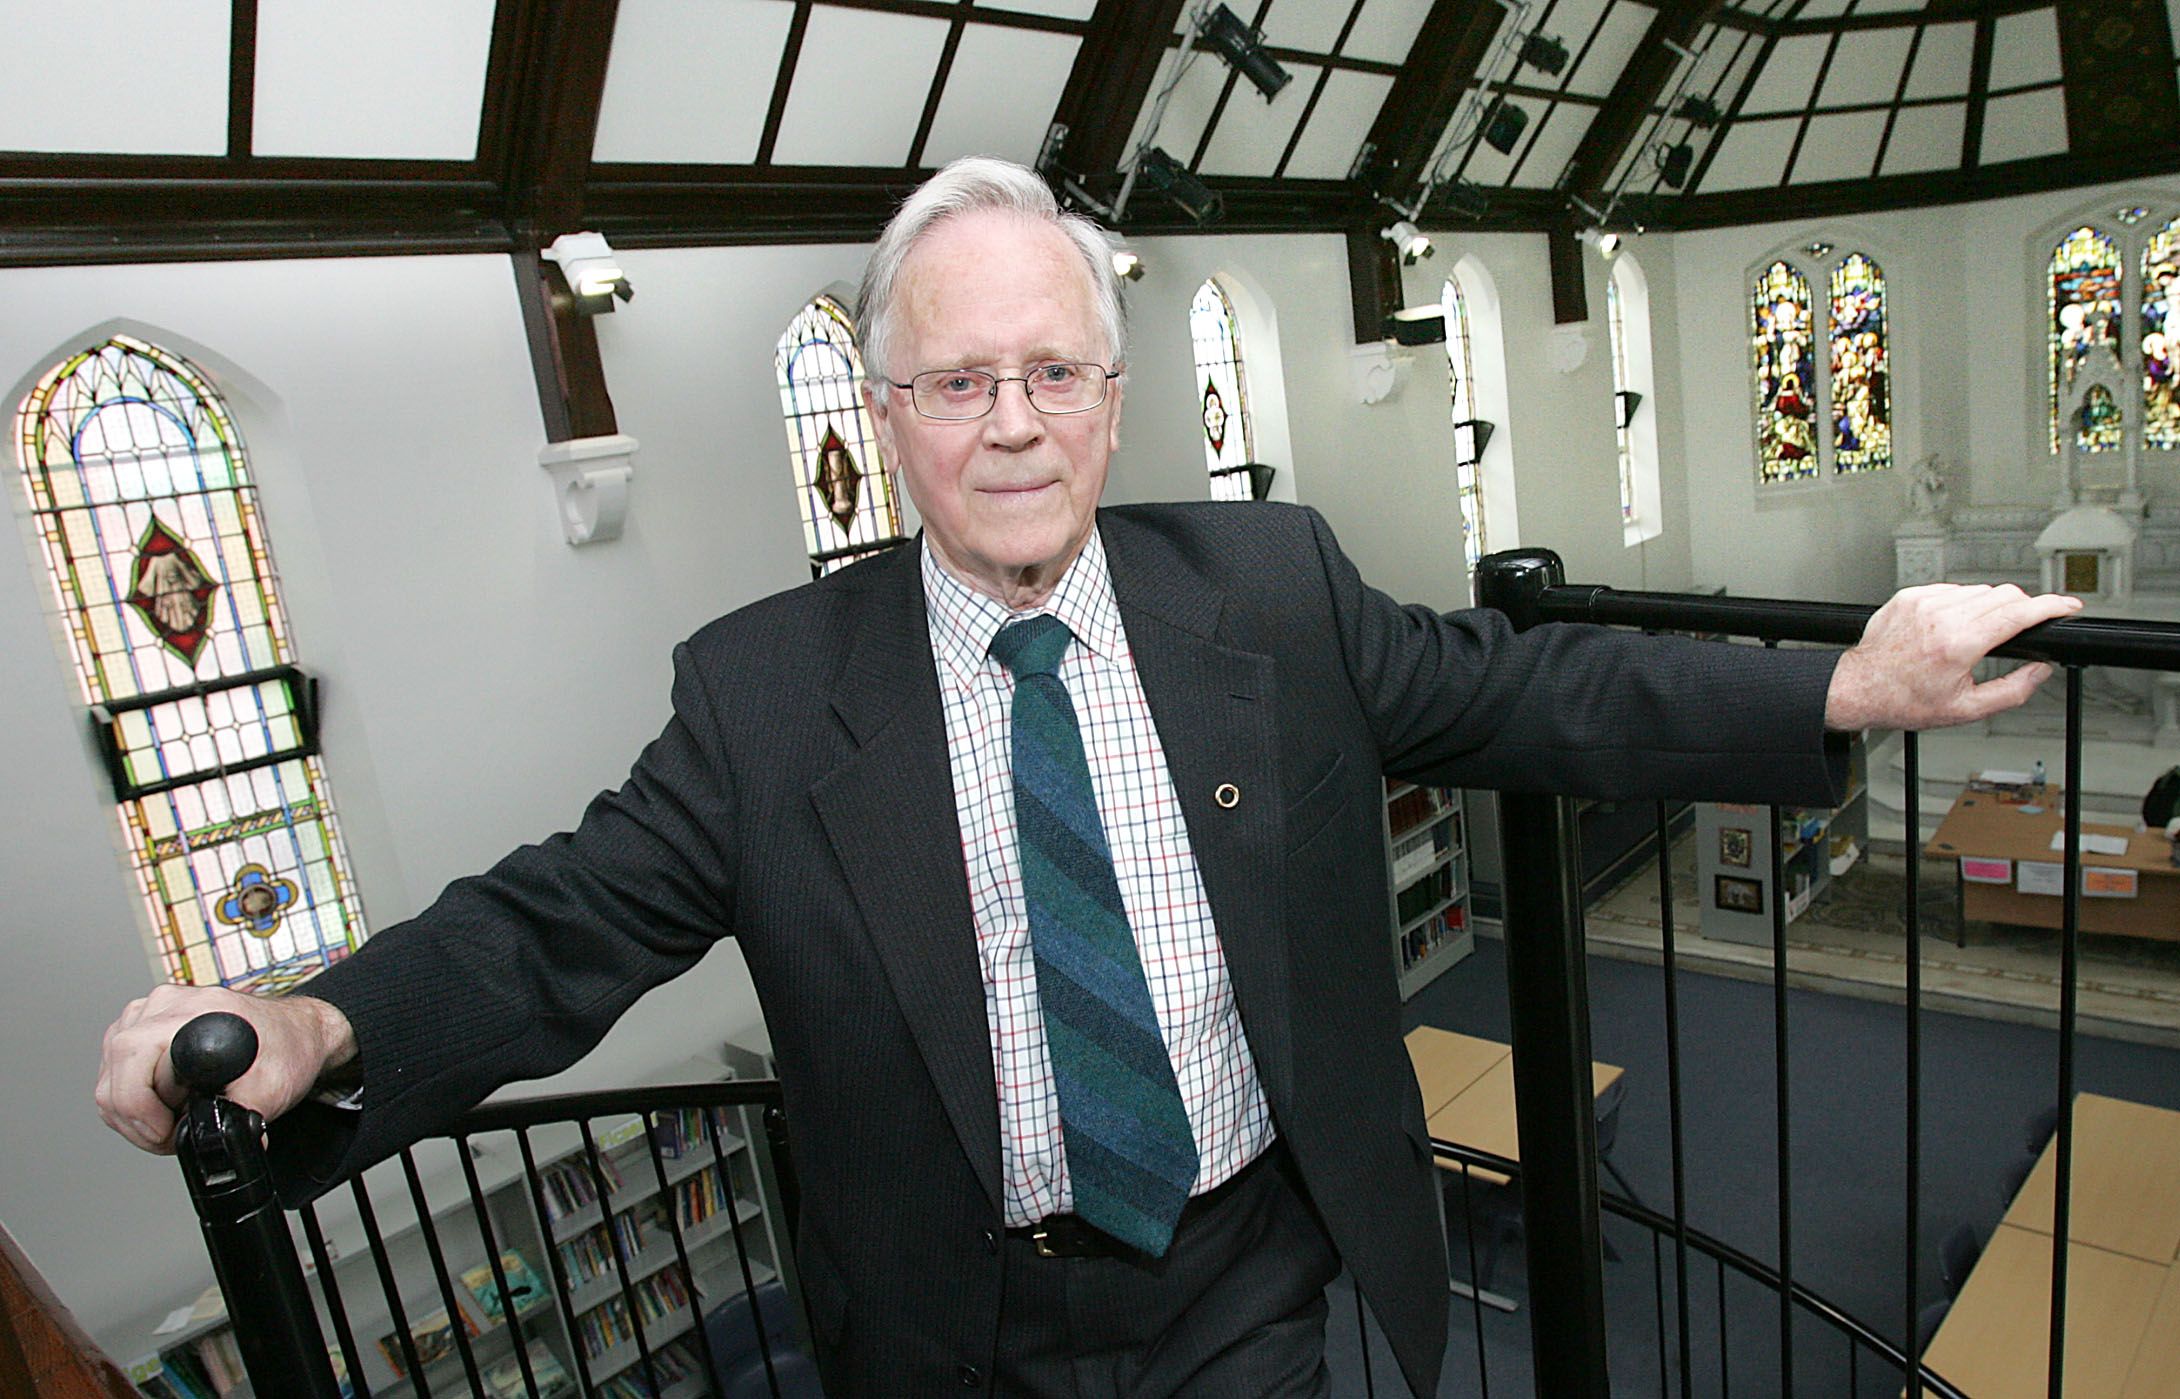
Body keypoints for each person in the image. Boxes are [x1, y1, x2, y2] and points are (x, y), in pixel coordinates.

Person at [97, 157, 2080, 1398]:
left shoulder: (1271, 590)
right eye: (959, 381)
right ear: (888, 417)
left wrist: (1838, 677)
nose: (1015, 424)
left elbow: (1525, 687)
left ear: (1115, 395)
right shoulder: (771, 696)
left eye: (1053, 371)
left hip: (1245, 1278)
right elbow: (563, 920)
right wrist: (309, 1015)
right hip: (956, 1322)